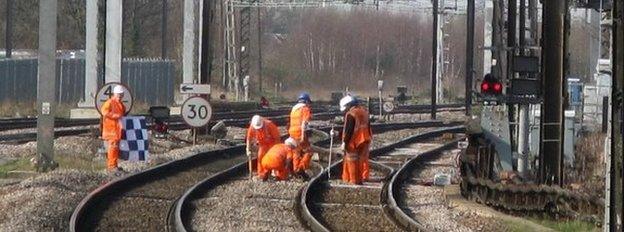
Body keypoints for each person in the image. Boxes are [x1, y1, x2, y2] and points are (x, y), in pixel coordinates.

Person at [339, 95, 372, 185]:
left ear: (349, 105)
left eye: (346, 107)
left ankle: (353, 181)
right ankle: (360, 180)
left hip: (353, 142)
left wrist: (344, 142)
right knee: (361, 161)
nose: (346, 110)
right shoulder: (365, 112)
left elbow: (349, 130)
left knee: (352, 161)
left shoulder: (351, 114)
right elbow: (368, 127)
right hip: (365, 139)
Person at [101, 85, 127, 172]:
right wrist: (115, 116)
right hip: (111, 130)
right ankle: (111, 166)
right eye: (119, 94)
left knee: (115, 148)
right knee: (112, 148)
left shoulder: (120, 104)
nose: (120, 96)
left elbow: (123, 112)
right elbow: (104, 112)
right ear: (115, 94)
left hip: (117, 130)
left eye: (121, 95)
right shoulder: (109, 102)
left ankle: (114, 165)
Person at [288, 92, 313, 175]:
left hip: (292, 133)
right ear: (306, 101)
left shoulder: (294, 109)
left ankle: (295, 169)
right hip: (299, 133)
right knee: (309, 152)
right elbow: (304, 123)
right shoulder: (305, 109)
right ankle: (301, 168)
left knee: (296, 152)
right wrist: (303, 136)